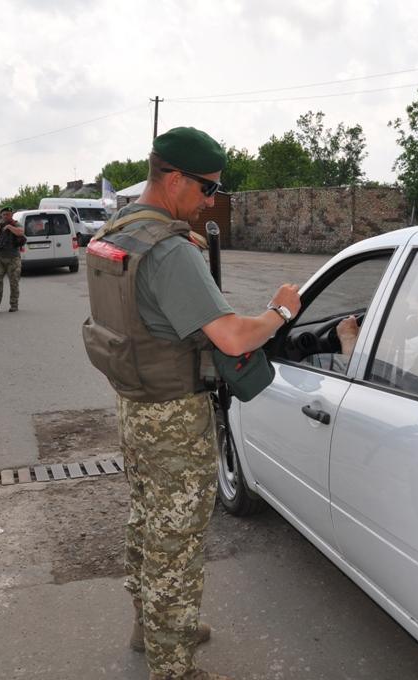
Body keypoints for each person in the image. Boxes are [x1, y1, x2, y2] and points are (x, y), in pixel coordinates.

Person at [82, 126, 301, 680]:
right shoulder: (170, 251)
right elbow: (230, 337)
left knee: (148, 522)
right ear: (175, 177)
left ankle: (151, 625)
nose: (211, 201)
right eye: (206, 188)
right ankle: (173, 665)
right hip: (174, 415)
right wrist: (280, 312)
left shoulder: (122, 229)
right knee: (176, 543)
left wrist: (184, 249)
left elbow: (144, 300)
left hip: (134, 402)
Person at [0, 206, 24, 313]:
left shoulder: (16, 224)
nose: (5, 216)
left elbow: (21, 232)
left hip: (13, 258)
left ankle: (14, 305)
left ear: (11, 215)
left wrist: (10, 228)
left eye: (7, 214)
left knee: (14, 282)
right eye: (3, 215)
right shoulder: (0, 225)